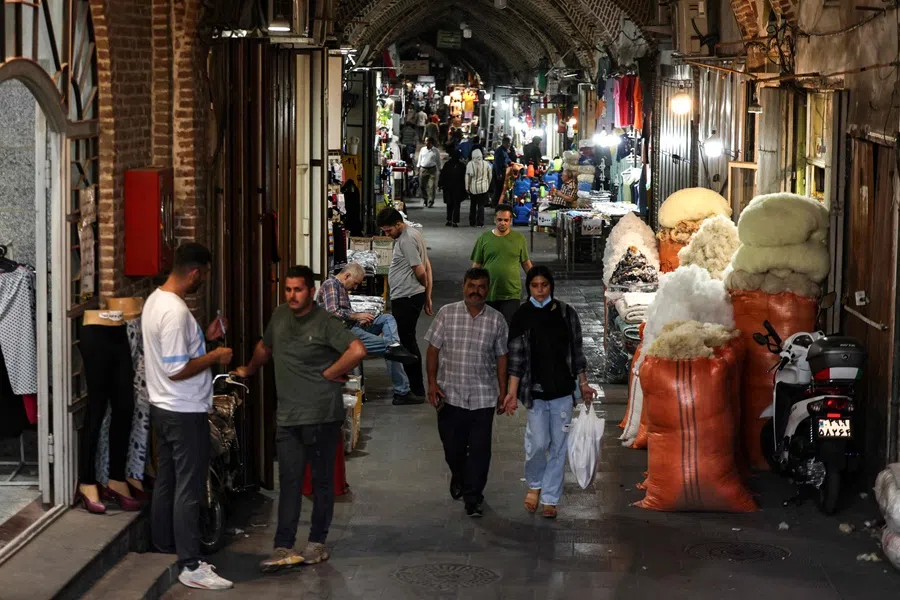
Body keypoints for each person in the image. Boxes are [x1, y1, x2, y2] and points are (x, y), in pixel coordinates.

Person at [233, 265, 367, 573]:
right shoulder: (280, 316)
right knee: (290, 483)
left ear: (311, 291)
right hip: (289, 417)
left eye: (298, 290)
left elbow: (357, 350)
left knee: (321, 483)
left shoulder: (325, 322)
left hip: (321, 417)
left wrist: (331, 373)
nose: (292, 295)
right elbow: (265, 347)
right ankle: (284, 546)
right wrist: (249, 370)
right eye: (288, 289)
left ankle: (317, 542)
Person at [142, 242, 234, 591]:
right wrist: (216, 356)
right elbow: (177, 368)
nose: (204, 280)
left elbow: (175, 356)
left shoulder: (155, 302)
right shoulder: (175, 312)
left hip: (163, 408)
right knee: (189, 487)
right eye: (205, 274)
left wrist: (204, 341)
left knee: (167, 482)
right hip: (182, 411)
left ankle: (165, 547)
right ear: (195, 272)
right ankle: (190, 564)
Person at [502, 266, 596, 519]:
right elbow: (516, 360)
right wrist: (511, 393)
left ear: (551, 286)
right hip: (535, 392)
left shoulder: (566, 313)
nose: (541, 290)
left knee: (558, 445)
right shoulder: (522, 315)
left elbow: (577, 353)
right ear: (528, 287)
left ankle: (550, 497)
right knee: (537, 443)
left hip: (563, 391)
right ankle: (534, 484)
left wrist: (584, 383)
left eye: (545, 285)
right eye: (535, 285)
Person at [425, 268, 509, 518]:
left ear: (488, 288)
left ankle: (473, 497)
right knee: (453, 448)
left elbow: (502, 357)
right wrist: (431, 383)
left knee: (481, 450)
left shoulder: (496, 320)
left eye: (482, 286)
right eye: (472, 285)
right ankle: (459, 475)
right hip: (450, 395)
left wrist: (503, 392)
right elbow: (432, 350)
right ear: (463, 285)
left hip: (483, 396)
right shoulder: (446, 314)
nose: (476, 291)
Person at [318, 263, 419, 404]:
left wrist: (359, 318)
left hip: (352, 326)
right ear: (347, 275)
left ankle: (394, 346)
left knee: (387, 319)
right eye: (355, 283)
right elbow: (332, 313)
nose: (355, 288)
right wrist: (356, 316)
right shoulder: (331, 285)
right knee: (390, 349)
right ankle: (402, 391)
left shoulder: (340, 286)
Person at [377, 207, 432, 400]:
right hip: (409, 296)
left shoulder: (407, 239)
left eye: (388, 230)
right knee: (407, 341)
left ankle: (415, 390)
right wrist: (427, 295)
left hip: (407, 297)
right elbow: (427, 265)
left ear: (398, 224)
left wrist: (423, 290)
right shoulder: (411, 234)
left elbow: (421, 270)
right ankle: (414, 388)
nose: (387, 234)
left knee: (406, 344)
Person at [471, 205, 533, 324]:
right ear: (495, 219)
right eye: (500, 220)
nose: (502, 223)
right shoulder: (484, 239)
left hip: (511, 293)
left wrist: (535, 281)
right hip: (489, 293)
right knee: (489, 328)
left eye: (506, 220)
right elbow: (477, 265)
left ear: (510, 221)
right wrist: (471, 286)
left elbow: (526, 263)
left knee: (509, 327)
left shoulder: (519, 239)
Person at [439, 149, 467, 228]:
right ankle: (455, 221)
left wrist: (440, 185)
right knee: (456, 205)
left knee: (449, 204)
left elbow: (443, 175)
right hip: (458, 188)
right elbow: (464, 178)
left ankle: (449, 220)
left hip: (448, 188)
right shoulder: (462, 166)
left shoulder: (447, 164)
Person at [466, 148, 492, 228]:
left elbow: (468, 176)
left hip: (473, 188)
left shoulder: (470, 164)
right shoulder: (486, 164)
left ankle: (472, 221)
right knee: (481, 206)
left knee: (473, 205)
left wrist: (467, 187)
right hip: (483, 188)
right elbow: (490, 176)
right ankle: (480, 223)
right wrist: (487, 184)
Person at [492, 136, 517, 207]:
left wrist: (511, 163)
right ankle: (496, 205)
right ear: (505, 143)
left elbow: (507, 159)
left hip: (502, 172)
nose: (509, 145)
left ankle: (498, 204)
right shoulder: (500, 151)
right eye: (508, 143)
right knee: (498, 189)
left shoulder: (504, 150)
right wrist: (498, 174)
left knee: (501, 189)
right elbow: (497, 163)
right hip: (499, 172)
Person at [417, 137, 442, 208]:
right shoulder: (422, 149)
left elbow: (438, 161)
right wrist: (418, 169)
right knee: (422, 186)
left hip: (432, 170)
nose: (425, 143)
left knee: (431, 186)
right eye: (425, 141)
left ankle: (431, 201)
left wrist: (440, 169)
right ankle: (425, 199)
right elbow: (420, 159)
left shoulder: (435, 151)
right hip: (423, 169)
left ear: (430, 142)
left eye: (426, 141)